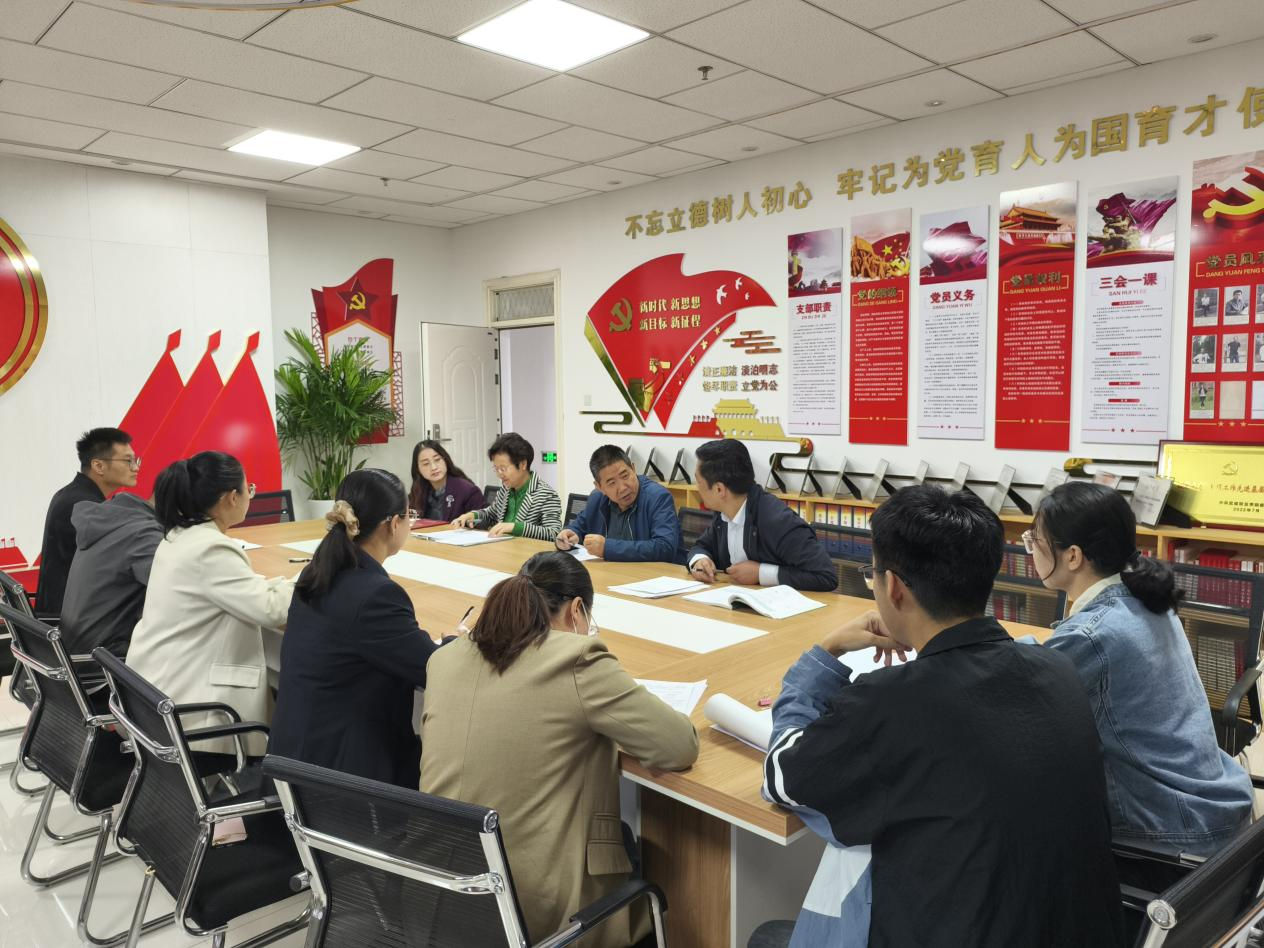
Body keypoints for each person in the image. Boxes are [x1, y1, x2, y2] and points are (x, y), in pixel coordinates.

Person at [758, 485, 1123, 947]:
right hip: (1068, 930)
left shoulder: (892, 702)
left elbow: (782, 778)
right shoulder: (1057, 669)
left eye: (873, 576)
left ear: (893, 587)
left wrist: (824, 653)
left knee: (769, 935)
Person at [422, 552, 698, 948]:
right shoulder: (577, 658)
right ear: (577, 610)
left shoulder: (444, 659)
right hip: (542, 914)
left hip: (447, 896)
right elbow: (678, 745)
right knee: (648, 857)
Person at [1025, 482, 1253, 856]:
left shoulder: (1092, 634)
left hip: (1177, 834)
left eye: (1034, 540)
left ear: (1073, 556)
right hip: (1217, 808)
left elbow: (1023, 690)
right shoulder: (1147, 599)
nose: (1031, 549)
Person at [269, 470, 447, 788]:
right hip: (344, 780)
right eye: (409, 515)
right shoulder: (375, 595)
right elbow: (434, 669)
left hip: (298, 760)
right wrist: (456, 643)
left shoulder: (318, 572)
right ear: (393, 524)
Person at [127, 452, 292, 753]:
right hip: (192, 707)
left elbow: (237, 590)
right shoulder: (210, 548)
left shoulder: (179, 537)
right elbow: (271, 610)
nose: (250, 495)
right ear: (231, 497)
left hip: (158, 688)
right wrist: (310, 579)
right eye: (249, 489)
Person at [687, 439, 836, 592]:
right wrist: (700, 560)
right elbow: (701, 546)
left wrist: (761, 573)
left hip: (780, 604)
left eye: (699, 482)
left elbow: (826, 576)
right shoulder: (723, 512)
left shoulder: (778, 521)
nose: (697, 488)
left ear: (719, 489)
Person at [34, 427, 138, 617]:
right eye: (128, 461)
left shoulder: (71, 494)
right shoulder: (86, 506)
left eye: (135, 460)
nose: (135, 467)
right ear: (98, 466)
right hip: (72, 621)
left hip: (62, 612)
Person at [59, 492, 163, 659]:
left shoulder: (113, 520)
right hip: (104, 660)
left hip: (79, 650)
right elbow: (176, 589)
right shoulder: (143, 534)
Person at [556, 445, 686, 564]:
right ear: (599, 487)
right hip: (613, 574)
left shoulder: (657, 497)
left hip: (658, 576)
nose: (623, 488)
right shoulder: (597, 499)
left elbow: (665, 547)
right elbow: (578, 528)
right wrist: (568, 536)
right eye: (612, 483)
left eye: (625, 476)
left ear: (633, 469)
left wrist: (607, 548)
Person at [452, 432, 562, 540]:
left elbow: (553, 534)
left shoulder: (546, 494)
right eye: (496, 469)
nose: (499, 474)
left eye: (503, 468)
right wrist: (473, 515)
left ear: (523, 464)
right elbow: (491, 515)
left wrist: (515, 527)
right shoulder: (506, 490)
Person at [406, 439, 484, 523]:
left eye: (437, 460)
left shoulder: (467, 490)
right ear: (418, 469)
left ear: (445, 460)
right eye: (426, 464)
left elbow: (483, 522)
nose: (433, 467)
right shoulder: (417, 491)